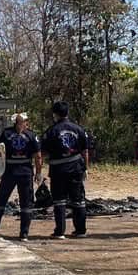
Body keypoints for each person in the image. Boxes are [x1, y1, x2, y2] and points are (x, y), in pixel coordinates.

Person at [0, 114, 42, 242]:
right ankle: (24, 234)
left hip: (10, 171)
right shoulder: (31, 135)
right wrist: (38, 173)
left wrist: (0, 155)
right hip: (25, 172)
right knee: (25, 203)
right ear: (25, 122)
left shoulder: (6, 133)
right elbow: (38, 156)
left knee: (1, 199)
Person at [41, 101, 90, 240]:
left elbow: (42, 153)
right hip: (76, 168)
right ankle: (80, 230)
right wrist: (86, 168)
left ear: (55, 114)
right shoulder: (79, 129)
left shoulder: (51, 131)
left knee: (59, 201)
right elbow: (85, 151)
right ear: (67, 113)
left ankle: (60, 232)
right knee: (78, 200)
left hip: (58, 171)